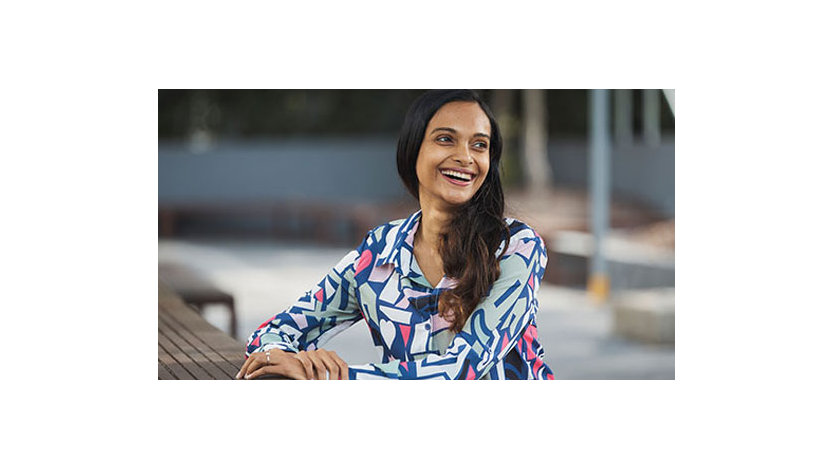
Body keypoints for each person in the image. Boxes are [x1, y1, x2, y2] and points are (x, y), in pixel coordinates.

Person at [237, 89, 555, 380]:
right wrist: (278, 356)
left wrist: (335, 378)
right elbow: (278, 329)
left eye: (479, 144)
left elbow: (462, 368)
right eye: (446, 139)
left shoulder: (516, 247)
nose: (466, 157)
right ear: (413, 149)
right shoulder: (379, 252)